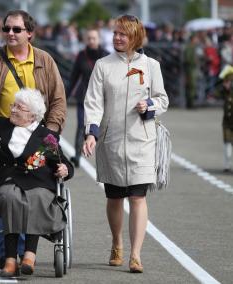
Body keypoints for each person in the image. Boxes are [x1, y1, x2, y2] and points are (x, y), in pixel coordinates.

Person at [0, 9, 67, 269]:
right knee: (4, 193)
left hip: (35, 139)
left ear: (30, 33)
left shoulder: (45, 61)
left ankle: (26, 255)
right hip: (1, 139)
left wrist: (50, 135)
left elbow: (58, 100)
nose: (10, 33)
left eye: (16, 29)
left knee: (34, 190)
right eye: (6, 29)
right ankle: (6, 255)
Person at [82, 15, 169, 273]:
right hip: (111, 141)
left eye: (123, 34)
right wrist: (91, 134)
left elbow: (162, 99)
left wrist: (149, 106)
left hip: (142, 141)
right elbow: (94, 102)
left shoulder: (152, 65)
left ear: (135, 37)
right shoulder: (103, 65)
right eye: (116, 33)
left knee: (138, 197)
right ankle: (117, 242)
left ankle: (136, 254)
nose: (118, 38)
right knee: (115, 197)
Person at [0, 89, 74, 276]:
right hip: (6, 180)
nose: (12, 109)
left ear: (32, 115)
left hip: (38, 181)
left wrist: (64, 169)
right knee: (11, 197)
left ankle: (29, 256)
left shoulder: (46, 136)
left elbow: (63, 162)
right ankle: (10, 260)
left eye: (19, 107)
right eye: (13, 105)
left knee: (37, 197)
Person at [67, 28, 108, 167]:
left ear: (99, 39)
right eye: (89, 38)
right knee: (81, 126)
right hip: (84, 96)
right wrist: (64, 97)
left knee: (104, 128)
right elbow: (74, 78)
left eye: (94, 38)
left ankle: (105, 157)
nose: (91, 41)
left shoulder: (106, 56)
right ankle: (77, 156)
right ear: (85, 40)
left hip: (103, 98)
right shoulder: (81, 55)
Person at [216, 65, 233, 172]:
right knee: (227, 143)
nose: (226, 83)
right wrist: (224, 87)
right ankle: (227, 165)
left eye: (228, 81)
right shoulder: (224, 91)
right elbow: (216, 93)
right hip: (227, 121)